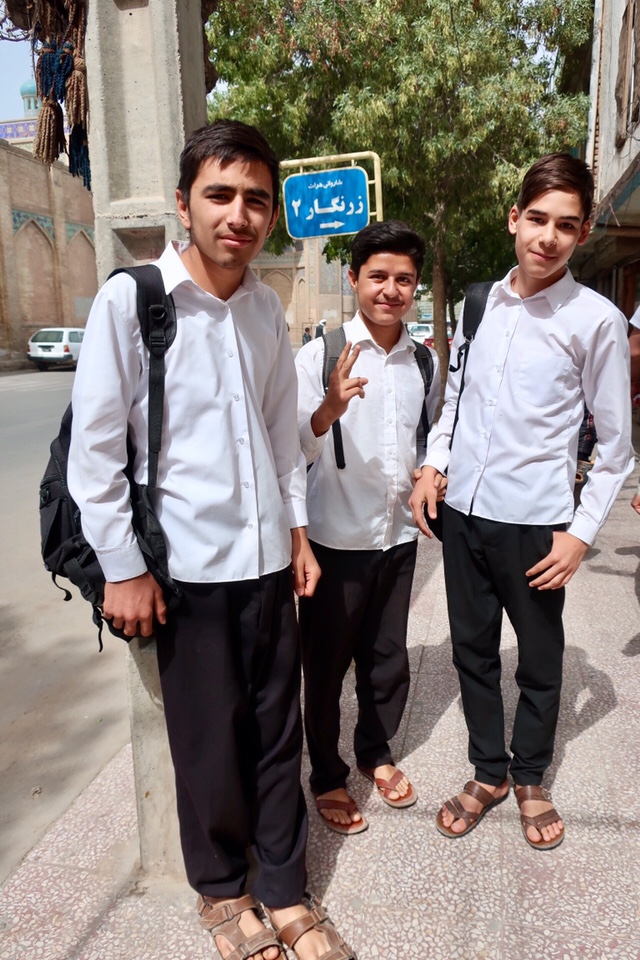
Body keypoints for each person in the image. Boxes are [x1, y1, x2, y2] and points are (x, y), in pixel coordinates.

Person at [68, 120, 355, 960]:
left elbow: (278, 441)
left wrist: (299, 537)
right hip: (183, 570)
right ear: (185, 205)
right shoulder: (136, 300)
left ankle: (284, 888)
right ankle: (222, 891)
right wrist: (122, 570)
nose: (240, 214)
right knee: (206, 737)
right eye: (221, 195)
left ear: (273, 215)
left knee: (277, 729)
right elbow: (95, 454)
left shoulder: (267, 309)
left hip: (266, 563)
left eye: (256, 200)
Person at [410, 153, 634, 851]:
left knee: (538, 657)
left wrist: (579, 534)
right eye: (536, 219)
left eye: (566, 225)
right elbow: (457, 395)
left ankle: (531, 775)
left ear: (583, 231)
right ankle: (489, 771)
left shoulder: (594, 320)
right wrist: (432, 465)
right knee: (473, 653)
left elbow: (618, 447)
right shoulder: (479, 300)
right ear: (514, 218)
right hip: (464, 517)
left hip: (537, 523)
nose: (547, 237)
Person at [296, 221, 440, 835]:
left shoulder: (426, 362)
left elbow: (434, 435)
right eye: (377, 276)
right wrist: (329, 406)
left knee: (386, 660)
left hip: (396, 540)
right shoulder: (320, 354)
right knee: (326, 667)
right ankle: (326, 773)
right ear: (353, 279)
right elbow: (291, 451)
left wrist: (433, 472)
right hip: (334, 541)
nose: (391, 289)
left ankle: (375, 753)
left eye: (403, 279)